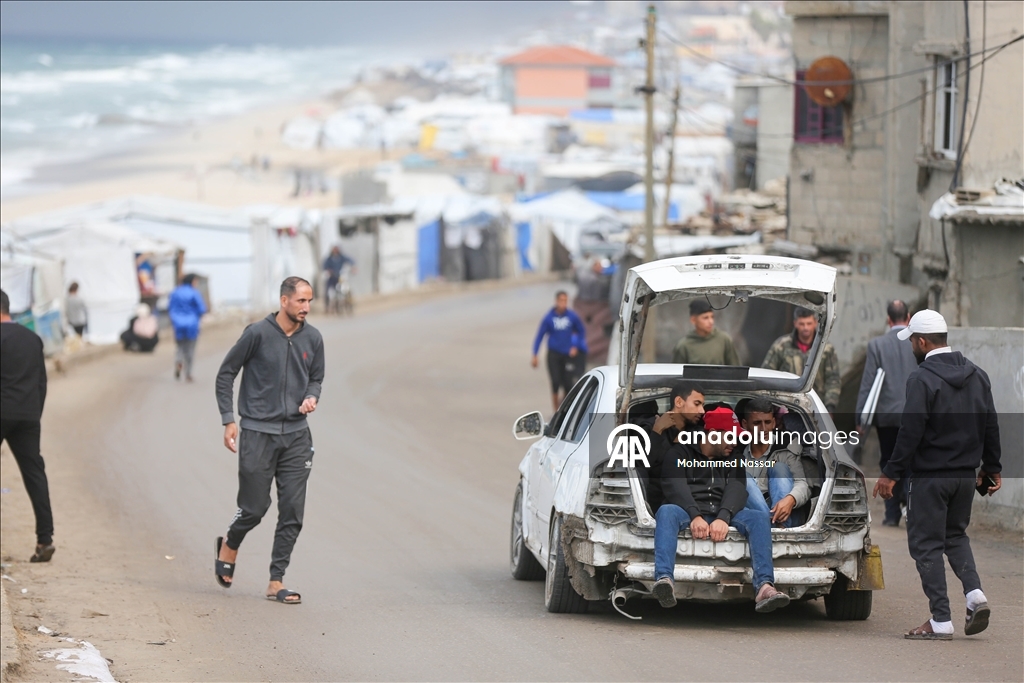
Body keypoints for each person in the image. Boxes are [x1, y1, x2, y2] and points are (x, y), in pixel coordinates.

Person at [872, 309, 1001, 640]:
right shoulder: (978, 375)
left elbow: (910, 431)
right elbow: (990, 422)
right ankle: (975, 595)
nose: (911, 348)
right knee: (955, 536)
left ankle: (941, 620)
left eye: (912, 342)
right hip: (964, 478)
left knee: (926, 545)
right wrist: (992, 467)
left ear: (922, 342)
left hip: (930, 479)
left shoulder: (921, 379)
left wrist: (891, 473)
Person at [214, 277, 325, 605]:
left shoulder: (313, 338)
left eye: (309, 301)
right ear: (284, 301)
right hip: (258, 433)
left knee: (292, 510)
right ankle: (230, 543)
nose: (306, 307)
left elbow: (316, 377)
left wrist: (312, 396)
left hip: (296, 436)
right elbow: (226, 374)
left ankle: (276, 581)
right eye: (301, 301)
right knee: (254, 508)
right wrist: (228, 419)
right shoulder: (257, 334)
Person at [651, 406, 790, 613]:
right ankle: (664, 580)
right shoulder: (680, 452)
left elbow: (737, 487)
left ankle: (764, 586)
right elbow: (674, 485)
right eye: (730, 437)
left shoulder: (734, 457)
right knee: (666, 511)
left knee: (759, 517)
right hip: (687, 511)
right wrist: (695, 515)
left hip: (724, 512)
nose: (734, 442)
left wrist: (724, 517)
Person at [0, 289, 55, 563]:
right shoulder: (32, 338)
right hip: (28, 414)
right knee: (35, 474)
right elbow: (41, 381)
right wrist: (34, 414)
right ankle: (45, 540)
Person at [855, 299, 917, 526]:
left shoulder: (877, 345)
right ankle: (911, 510)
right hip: (913, 415)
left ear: (888, 319)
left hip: (887, 416)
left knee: (889, 460)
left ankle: (891, 515)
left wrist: (860, 418)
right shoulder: (917, 341)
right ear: (908, 318)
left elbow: (868, 383)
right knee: (910, 461)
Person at [736, 398, 812, 528]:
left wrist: (791, 499)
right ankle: (772, 525)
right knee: (742, 477)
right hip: (753, 514)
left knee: (779, 467)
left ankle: (778, 524)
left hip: (786, 513)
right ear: (745, 424)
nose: (763, 429)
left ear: (774, 423)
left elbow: (803, 484)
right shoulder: (737, 450)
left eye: (767, 422)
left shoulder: (786, 445)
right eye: (757, 423)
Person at [633, 381, 706, 513]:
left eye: (702, 405)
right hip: (654, 505)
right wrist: (657, 432)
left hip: (692, 503)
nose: (702, 411)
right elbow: (640, 468)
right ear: (679, 402)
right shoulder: (649, 428)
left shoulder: (699, 434)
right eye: (697, 404)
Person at [762, 307, 840, 413]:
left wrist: (830, 406)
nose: (806, 328)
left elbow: (833, 379)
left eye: (809, 323)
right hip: (786, 406)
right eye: (802, 324)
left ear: (815, 323)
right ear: (795, 323)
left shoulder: (825, 349)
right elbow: (767, 374)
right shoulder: (781, 346)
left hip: (816, 406)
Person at [531, 291, 588, 412]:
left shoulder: (572, 316)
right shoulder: (549, 318)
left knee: (568, 384)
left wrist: (575, 346)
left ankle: (564, 408)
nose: (563, 303)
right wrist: (535, 354)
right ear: (556, 301)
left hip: (567, 354)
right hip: (554, 354)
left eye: (565, 301)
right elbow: (540, 336)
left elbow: (581, 331)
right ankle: (555, 411)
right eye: (561, 301)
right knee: (555, 382)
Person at [672, 299, 740, 365]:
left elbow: (735, 368)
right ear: (693, 320)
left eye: (712, 317)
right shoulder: (683, 346)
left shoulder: (724, 340)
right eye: (705, 318)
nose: (711, 322)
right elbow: (677, 371)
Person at [168, 274, 208, 382]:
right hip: (191, 324)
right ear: (192, 281)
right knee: (190, 349)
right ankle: (188, 373)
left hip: (178, 323)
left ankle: (179, 360)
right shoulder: (194, 293)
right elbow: (202, 309)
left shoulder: (175, 292)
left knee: (180, 346)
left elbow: (170, 307)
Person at [322, 246, 355, 313]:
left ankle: (349, 302)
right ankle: (327, 307)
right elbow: (325, 266)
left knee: (347, 288)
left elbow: (350, 260)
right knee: (328, 291)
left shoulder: (342, 258)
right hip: (332, 278)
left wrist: (353, 267)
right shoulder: (329, 259)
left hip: (340, 277)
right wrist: (329, 271)